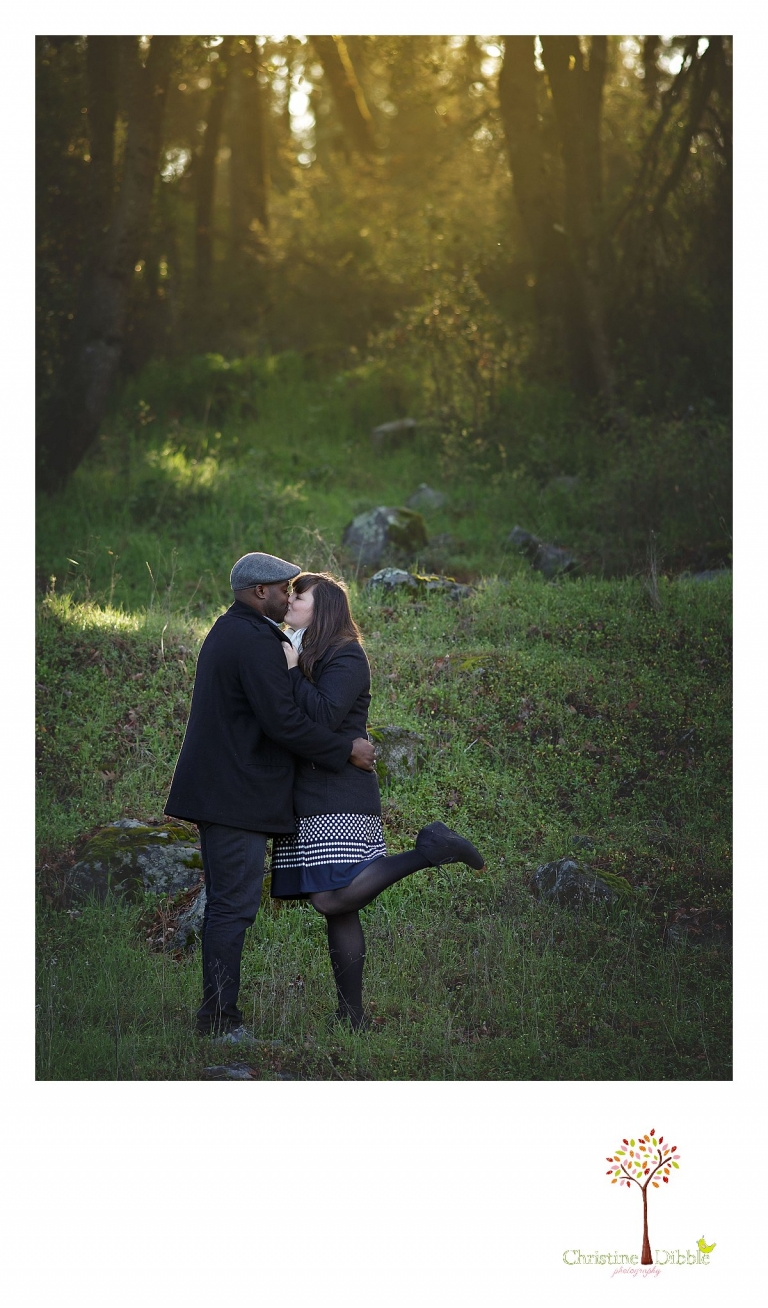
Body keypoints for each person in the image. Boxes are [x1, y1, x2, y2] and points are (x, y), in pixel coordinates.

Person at [164, 552, 376, 1040]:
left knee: (226, 905)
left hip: (225, 791)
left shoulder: (228, 630)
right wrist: (346, 749)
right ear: (261, 591)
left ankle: (217, 1019)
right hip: (236, 795)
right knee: (232, 908)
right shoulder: (256, 639)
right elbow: (283, 721)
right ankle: (219, 1023)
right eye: (285, 589)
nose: (288, 597)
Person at [271, 571, 485, 1030]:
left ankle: (430, 851)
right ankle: (353, 1017)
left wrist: (290, 670)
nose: (290, 600)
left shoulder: (347, 655)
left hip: (340, 790)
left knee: (330, 900)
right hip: (309, 791)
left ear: (323, 606)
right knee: (338, 908)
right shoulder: (302, 649)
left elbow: (326, 716)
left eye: (299, 595)